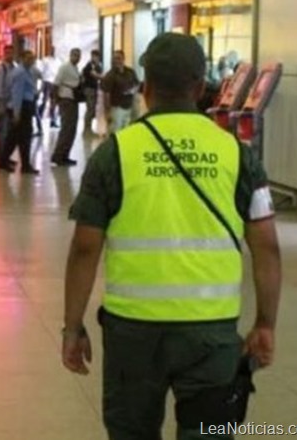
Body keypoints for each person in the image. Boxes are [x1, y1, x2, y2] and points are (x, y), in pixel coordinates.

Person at [62, 33, 281, 440]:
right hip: (212, 334)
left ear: (145, 88)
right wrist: (265, 323)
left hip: (133, 333)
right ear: (201, 88)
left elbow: (84, 248)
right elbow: (266, 245)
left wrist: (72, 327)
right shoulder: (238, 153)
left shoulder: (115, 153)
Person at [1, 50, 39, 174]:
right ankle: (22, 164)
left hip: (24, 106)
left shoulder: (27, 71)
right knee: (21, 137)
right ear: (22, 59)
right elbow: (17, 94)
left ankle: (6, 160)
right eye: (28, 58)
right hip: (22, 107)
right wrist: (17, 113)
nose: (31, 60)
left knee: (16, 137)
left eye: (32, 58)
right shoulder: (21, 73)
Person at [51, 48, 82, 166]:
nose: (76, 57)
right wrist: (55, 100)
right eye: (74, 55)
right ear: (70, 55)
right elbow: (56, 84)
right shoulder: (64, 67)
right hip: (66, 99)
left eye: (78, 55)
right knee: (66, 128)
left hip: (73, 100)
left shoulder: (75, 68)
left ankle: (65, 155)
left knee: (72, 129)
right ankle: (58, 155)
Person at [0, 45, 18, 170]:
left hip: (12, 104)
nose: (9, 55)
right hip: (4, 104)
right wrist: (0, 103)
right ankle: (1, 161)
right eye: (7, 52)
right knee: (2, 133)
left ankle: (6, 157)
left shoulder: (15, 67)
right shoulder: (1, 69)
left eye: (11, 52)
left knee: (10, 134)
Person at [101, 49, 140, 133]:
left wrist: (133, 90)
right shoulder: (110, 75)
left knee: (127, 131)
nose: (116, 61)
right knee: (116, 131)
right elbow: (106, 94)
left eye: (119, 58)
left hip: (129, 105)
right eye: (114, 58)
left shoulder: (130, 72)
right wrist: (107, 111)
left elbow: (137, 84)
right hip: (116, 107)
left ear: (123, 59)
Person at [81, 49, 103, 134]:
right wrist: (105, 77)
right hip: (89, 89)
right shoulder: (89, 66)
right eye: (94, 56)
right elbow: (95, 75)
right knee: (90, 109)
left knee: (92, 109)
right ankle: (87, 129)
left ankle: (88, 128)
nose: (95, 58)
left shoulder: (97, 65)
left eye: (96, 56)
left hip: (94, 89)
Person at [38, 47, 61, 128]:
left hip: (55, 82)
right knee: (45, 100)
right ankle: (39, 116)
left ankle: (53, 120)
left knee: (54, 102)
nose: (53, 52)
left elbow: (59, 71)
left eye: (54, 50)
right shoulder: (45, 60)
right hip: (47, 81)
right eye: (51, 50)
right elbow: (41, 71)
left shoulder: (58, 61)